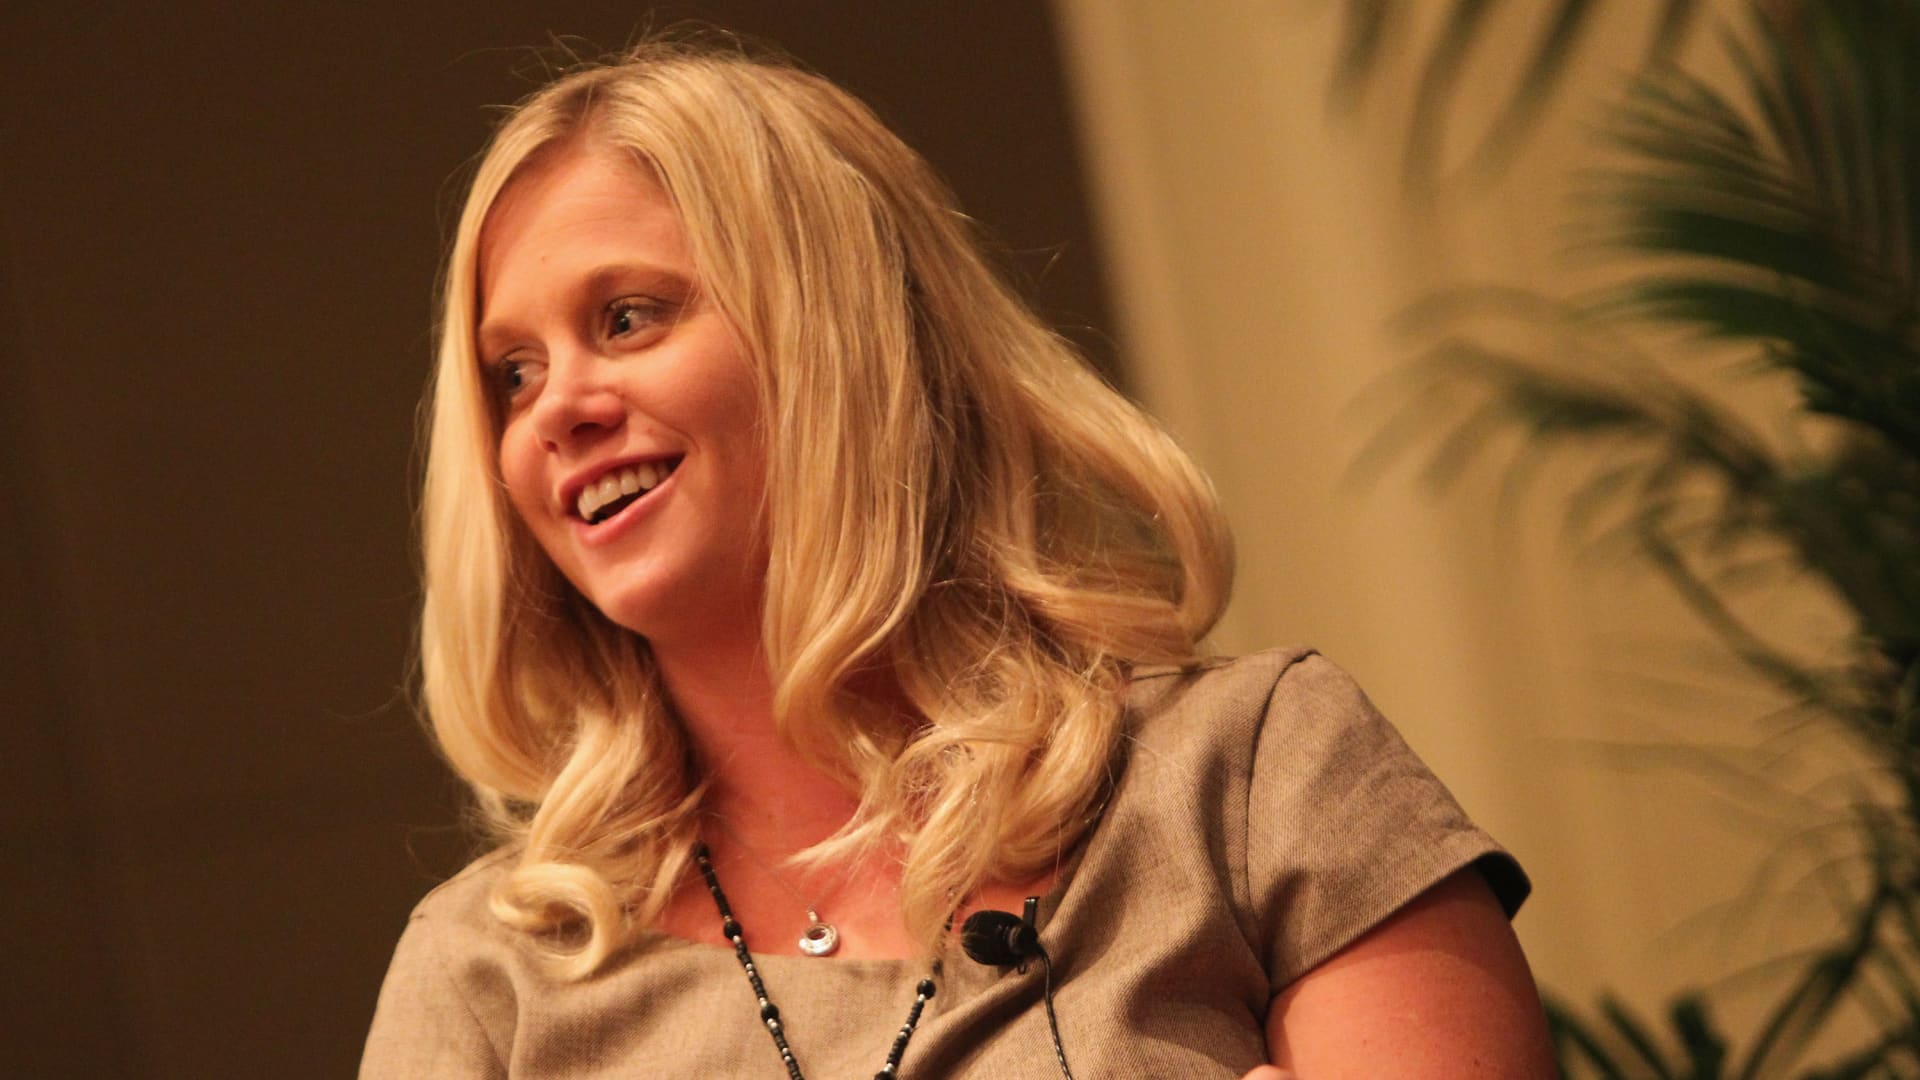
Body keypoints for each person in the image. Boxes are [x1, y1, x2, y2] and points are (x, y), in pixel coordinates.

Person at [362, 37, 1556, 1079]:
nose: (557, 409)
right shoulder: (489, 977)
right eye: (512, 373)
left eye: (628, 317)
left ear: (838, 330)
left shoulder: (1250, 779)